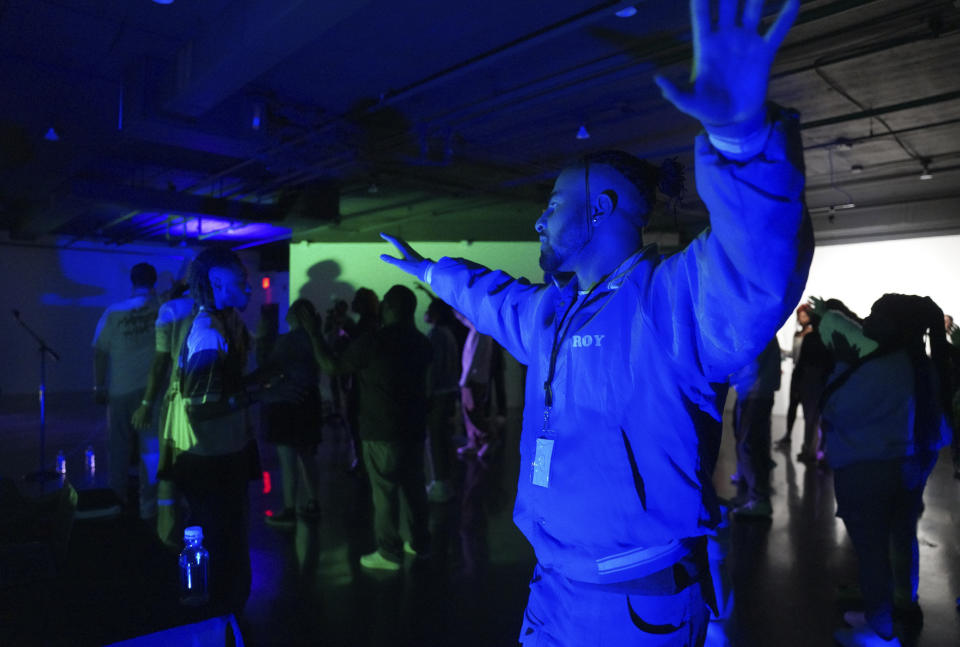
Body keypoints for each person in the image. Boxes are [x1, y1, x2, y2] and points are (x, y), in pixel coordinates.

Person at [379, 1, 809, 642]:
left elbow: (758, 267)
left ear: (603, 208)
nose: (539, 222)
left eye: (553, 206)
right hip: (552, 586)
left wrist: (742, 142)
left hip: (629, 608)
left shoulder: (668, 304)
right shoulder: (554, 312)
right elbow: (492, 299)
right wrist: (430, 273)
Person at [814, 295, 952, 647]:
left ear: (894, 325)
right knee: (902, 538)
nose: (867, 320)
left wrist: (843, 366)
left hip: (866, 470)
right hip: (909, 469)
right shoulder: (921, 366)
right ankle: (903, 603)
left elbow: (836, 409)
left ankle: (880, 626)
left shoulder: (876, 367)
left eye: (877, 315)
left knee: (872, 549)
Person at [172, 247, 296, 614]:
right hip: (209, 459)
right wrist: (262, 391)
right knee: (223, 545)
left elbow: (226, 387)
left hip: (226, 453)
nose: (251, 288)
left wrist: (266, 377)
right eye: (242, 282)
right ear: (218, 284)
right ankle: (220, 620)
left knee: (231, 540)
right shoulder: (208, 333)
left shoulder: (230, 325)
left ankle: (227, 615)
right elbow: (199, 407)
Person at [309, 285, 433, 571]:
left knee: (385, 492)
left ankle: (389, 552)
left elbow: (331, 366)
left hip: (380, 429)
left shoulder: (373, 341)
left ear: (387, 308)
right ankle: (420, 543)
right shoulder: (423, 343)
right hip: (414, 429)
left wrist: (314, 332)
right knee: (415, 489)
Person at [92, 262, 161, 520]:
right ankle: (148, 507)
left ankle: (117, 503)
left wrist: (99, 386)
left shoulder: (113, 312)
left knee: (118, 450)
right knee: (151, 450)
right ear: (153, 282)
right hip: (151, 394)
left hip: (119, 391)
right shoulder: (160, 309)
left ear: (131, 282)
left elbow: (99, 351)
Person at [131, 281, 194, 548]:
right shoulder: (214, 306)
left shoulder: (170, 309)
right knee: (199, 468)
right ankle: (197, 531)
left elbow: (160, 362)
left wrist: (146, 402)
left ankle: (167, 538)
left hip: (178, 400)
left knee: (167, 468)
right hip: (212, 402)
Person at [259, 299, 324, 526]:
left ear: (292, 316)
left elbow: (269, 368)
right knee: (307, 455)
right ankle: (313, 503)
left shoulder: (286, 341)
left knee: (287, 458)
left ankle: (289, 510)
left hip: (287, 400)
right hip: (310, 399)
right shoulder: (316, 339)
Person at [729, 337, 781, 519]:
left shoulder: (760, 330)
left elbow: (750, 365)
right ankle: (751, 495)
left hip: (754, 392)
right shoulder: (766, 329)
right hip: (754, 391)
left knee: (747, 444)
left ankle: (759, 499)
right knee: (751, 442)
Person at [778, 302, 833, 462]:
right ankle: (808, 448)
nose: (802, 318)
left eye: (805, 316)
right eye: (800, 316)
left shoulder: (812, 337)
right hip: (808, 377)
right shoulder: (805, 335)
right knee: (805, 413)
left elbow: (803, 360)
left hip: (807, 378)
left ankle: (810, 450)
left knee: (811, 416)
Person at [424, 297, 461, 502]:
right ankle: (445, 481)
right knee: (444, 439)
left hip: (438, 395)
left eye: (429, 309)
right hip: (448, 393)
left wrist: (426, 394)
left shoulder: (436, 335)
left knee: (436, 440)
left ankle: (440, 483)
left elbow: (432, 369)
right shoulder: (448, 334)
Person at [454, 310, 496, 460]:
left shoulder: (480, 333)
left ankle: (488, 439)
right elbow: (465, 321)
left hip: (473, 380)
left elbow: (473, 359)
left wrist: (464, 381)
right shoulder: (479, 330)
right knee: (470, 413)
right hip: (475, 379)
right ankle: (474, 443)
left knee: (473, 413)